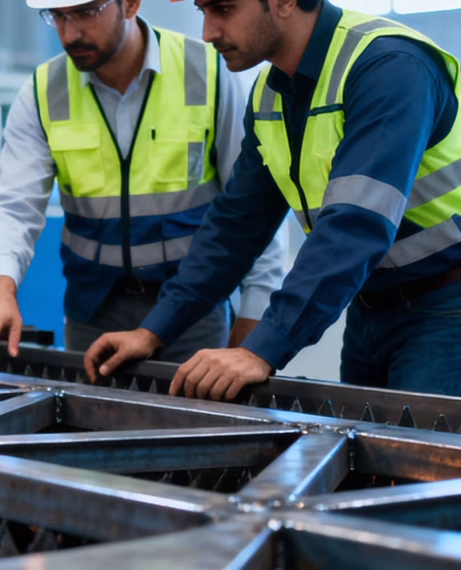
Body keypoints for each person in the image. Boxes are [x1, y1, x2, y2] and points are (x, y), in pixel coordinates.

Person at [84, 0, 461, 398]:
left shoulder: (391, 67)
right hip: (369, 307)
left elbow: (355, 225)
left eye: (223, 9)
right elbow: (236, 226)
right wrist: (154, 330)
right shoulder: (270, 93)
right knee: (371, 455)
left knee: (417, 456)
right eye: (203, 12)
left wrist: (259, 350)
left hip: (447, 307)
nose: (207, 32)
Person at [0, 0, 286, 371]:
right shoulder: (44, 91)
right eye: (58, 16)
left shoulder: (209, 72)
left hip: (193, 311)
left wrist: (253, 316)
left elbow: (252, 209)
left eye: (86, 12)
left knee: (194, 424)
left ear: (131, 4)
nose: (70, 33)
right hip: (94, 311)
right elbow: (11, 206)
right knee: (91, 423)